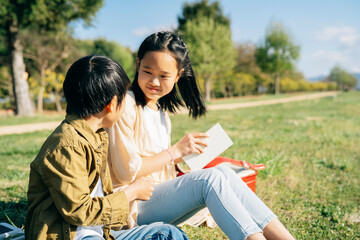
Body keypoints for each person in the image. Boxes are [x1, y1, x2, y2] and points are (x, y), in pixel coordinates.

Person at [107, 31, 296, 240]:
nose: (154, 81)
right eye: (147, 71)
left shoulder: (161, 113)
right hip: (131, 207)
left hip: (155, 199)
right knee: (210, 179)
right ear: (137, 64)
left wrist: (183, 156)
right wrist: (174, 151)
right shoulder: (126, 106)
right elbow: (126, 172)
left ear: (178, 75)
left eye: (164, 76)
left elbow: (159, 165)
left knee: (223, 171)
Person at [25, 55, 189, 240]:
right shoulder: (67, 146)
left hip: (100, 233)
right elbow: (79, 212)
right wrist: (130, 193)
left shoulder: (97, 136)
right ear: (112, 104)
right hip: (72, 236)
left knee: (167, 233)